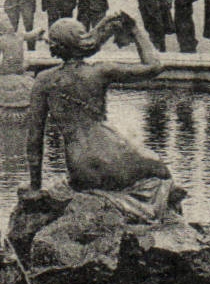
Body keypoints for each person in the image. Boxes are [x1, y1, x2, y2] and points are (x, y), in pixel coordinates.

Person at [24, 12, 185, 220]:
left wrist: (35, 187)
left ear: (55, 47)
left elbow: (34, 138)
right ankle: (162, 221)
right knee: (161, 171)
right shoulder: (100, 71)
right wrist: (136, 30)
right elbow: (154, 66)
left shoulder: (43, 80)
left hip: (79, 167)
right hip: (111, 154)